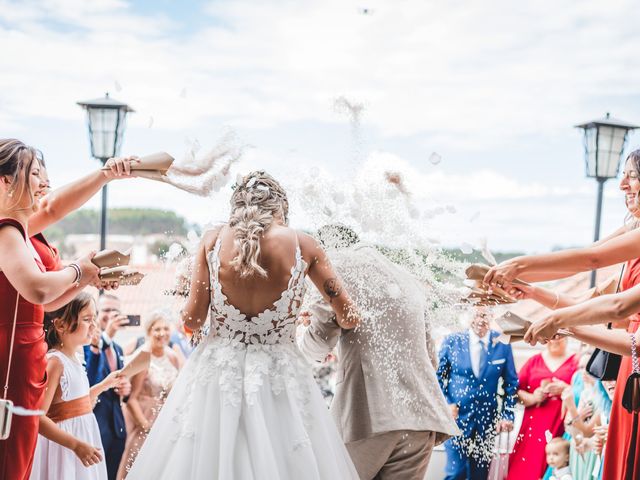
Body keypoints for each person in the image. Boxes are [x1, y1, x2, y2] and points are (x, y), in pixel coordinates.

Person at [126, 171, 361, 479]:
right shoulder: (304, 245)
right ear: (281, 208)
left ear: (235, 205)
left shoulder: (211, 240)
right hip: (280, 372)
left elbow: (193, 319)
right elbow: (349, 315)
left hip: (217, 373)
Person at [484, 150, 640, 479]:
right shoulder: (631, 234)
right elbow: (589, 276)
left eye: (632, 175)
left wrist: (520, 267)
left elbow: (597, 270)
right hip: (628, 370)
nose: (622, 185)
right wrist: (528, 288)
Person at [299, 224, 460, 479]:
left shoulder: (335, 268)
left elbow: (318, 344)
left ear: (324, 251)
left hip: (367, 417)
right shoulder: (405, 277)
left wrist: (302, 336)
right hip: (421, 417)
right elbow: (431, 357)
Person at [0, 138, 100, 480]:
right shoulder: (6, 230)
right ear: (6, 181)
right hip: (10, 357)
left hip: (25, 357)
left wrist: (85, 278)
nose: (43, 183)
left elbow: (45, 305)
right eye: (33, 173)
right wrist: (75, 270)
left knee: (19, 454)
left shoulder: (20, 235)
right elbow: (39, 288)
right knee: (9, 459)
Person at [31, 293, 122, 480]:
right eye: (87, 319)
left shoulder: (76, 359)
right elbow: (38, 418)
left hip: (83, 442)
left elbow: (73, 406)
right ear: (60, 325)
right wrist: (75, 445)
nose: (94, 326)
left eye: (94, 319)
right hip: (64, 448)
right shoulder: (55, 361)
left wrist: (104, 385)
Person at [437, 306, 518, 480]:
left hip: (487, 421)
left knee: (480, 475)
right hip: (457, 420)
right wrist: (445, 403)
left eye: (485, 315)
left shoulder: (502, 343)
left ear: (491, 316)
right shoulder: (452, 341)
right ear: (468, 316)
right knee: (455, 473)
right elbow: (437, 378)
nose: (480, 319)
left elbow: (510, 384)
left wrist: (507, 415)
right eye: (476, 314)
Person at [117, 311, 179, 478]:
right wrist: (146, 427)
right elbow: (131, 399)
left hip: (167, 422)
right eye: (157, 329)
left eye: (166, 329)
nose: (162, 334)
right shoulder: (143, 357)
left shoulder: (172, 356)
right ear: (149, 332)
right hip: (145, 421)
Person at [507, 337, 577, 480]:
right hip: (534, 426)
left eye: (560, 337)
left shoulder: (576, 361)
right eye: (551, 337)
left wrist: (567, 389)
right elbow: (515, 392)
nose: (555, 341)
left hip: (561, 425)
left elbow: (587, 391)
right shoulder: (534, 361)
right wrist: (533, 397)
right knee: (526, 468)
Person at [84, 294, 131, 480]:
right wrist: (107, 336)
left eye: (115, 311)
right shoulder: (85, 346)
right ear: (96, 314)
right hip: (96, 424)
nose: (111, 314)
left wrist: (125, 390)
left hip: (117, 427)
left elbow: (118, 383)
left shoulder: (118, 349)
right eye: (106, 310)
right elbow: (89, 381)